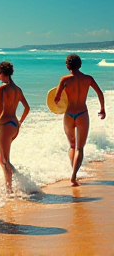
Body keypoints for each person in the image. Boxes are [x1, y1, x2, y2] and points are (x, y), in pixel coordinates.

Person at [54, 54, 106, 187]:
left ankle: (73, 173)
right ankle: (73, 176)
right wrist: (102, 109)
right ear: (80, 65)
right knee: (80, 148)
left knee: (72, 146)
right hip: (82, 114)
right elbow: (100, 93)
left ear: (67, 65)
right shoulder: (88, 79)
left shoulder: (64, 79)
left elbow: (56, 99)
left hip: (69, 114)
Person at [0, 61, 30, 195]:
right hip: (14, 125)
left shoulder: (1, 89)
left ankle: (9, 190)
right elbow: (27, 108)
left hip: (4, 125)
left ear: (2, 73)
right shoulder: (17, 89)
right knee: (1, 158)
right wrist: (20, 122)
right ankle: (20, 181)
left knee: (4, 160)